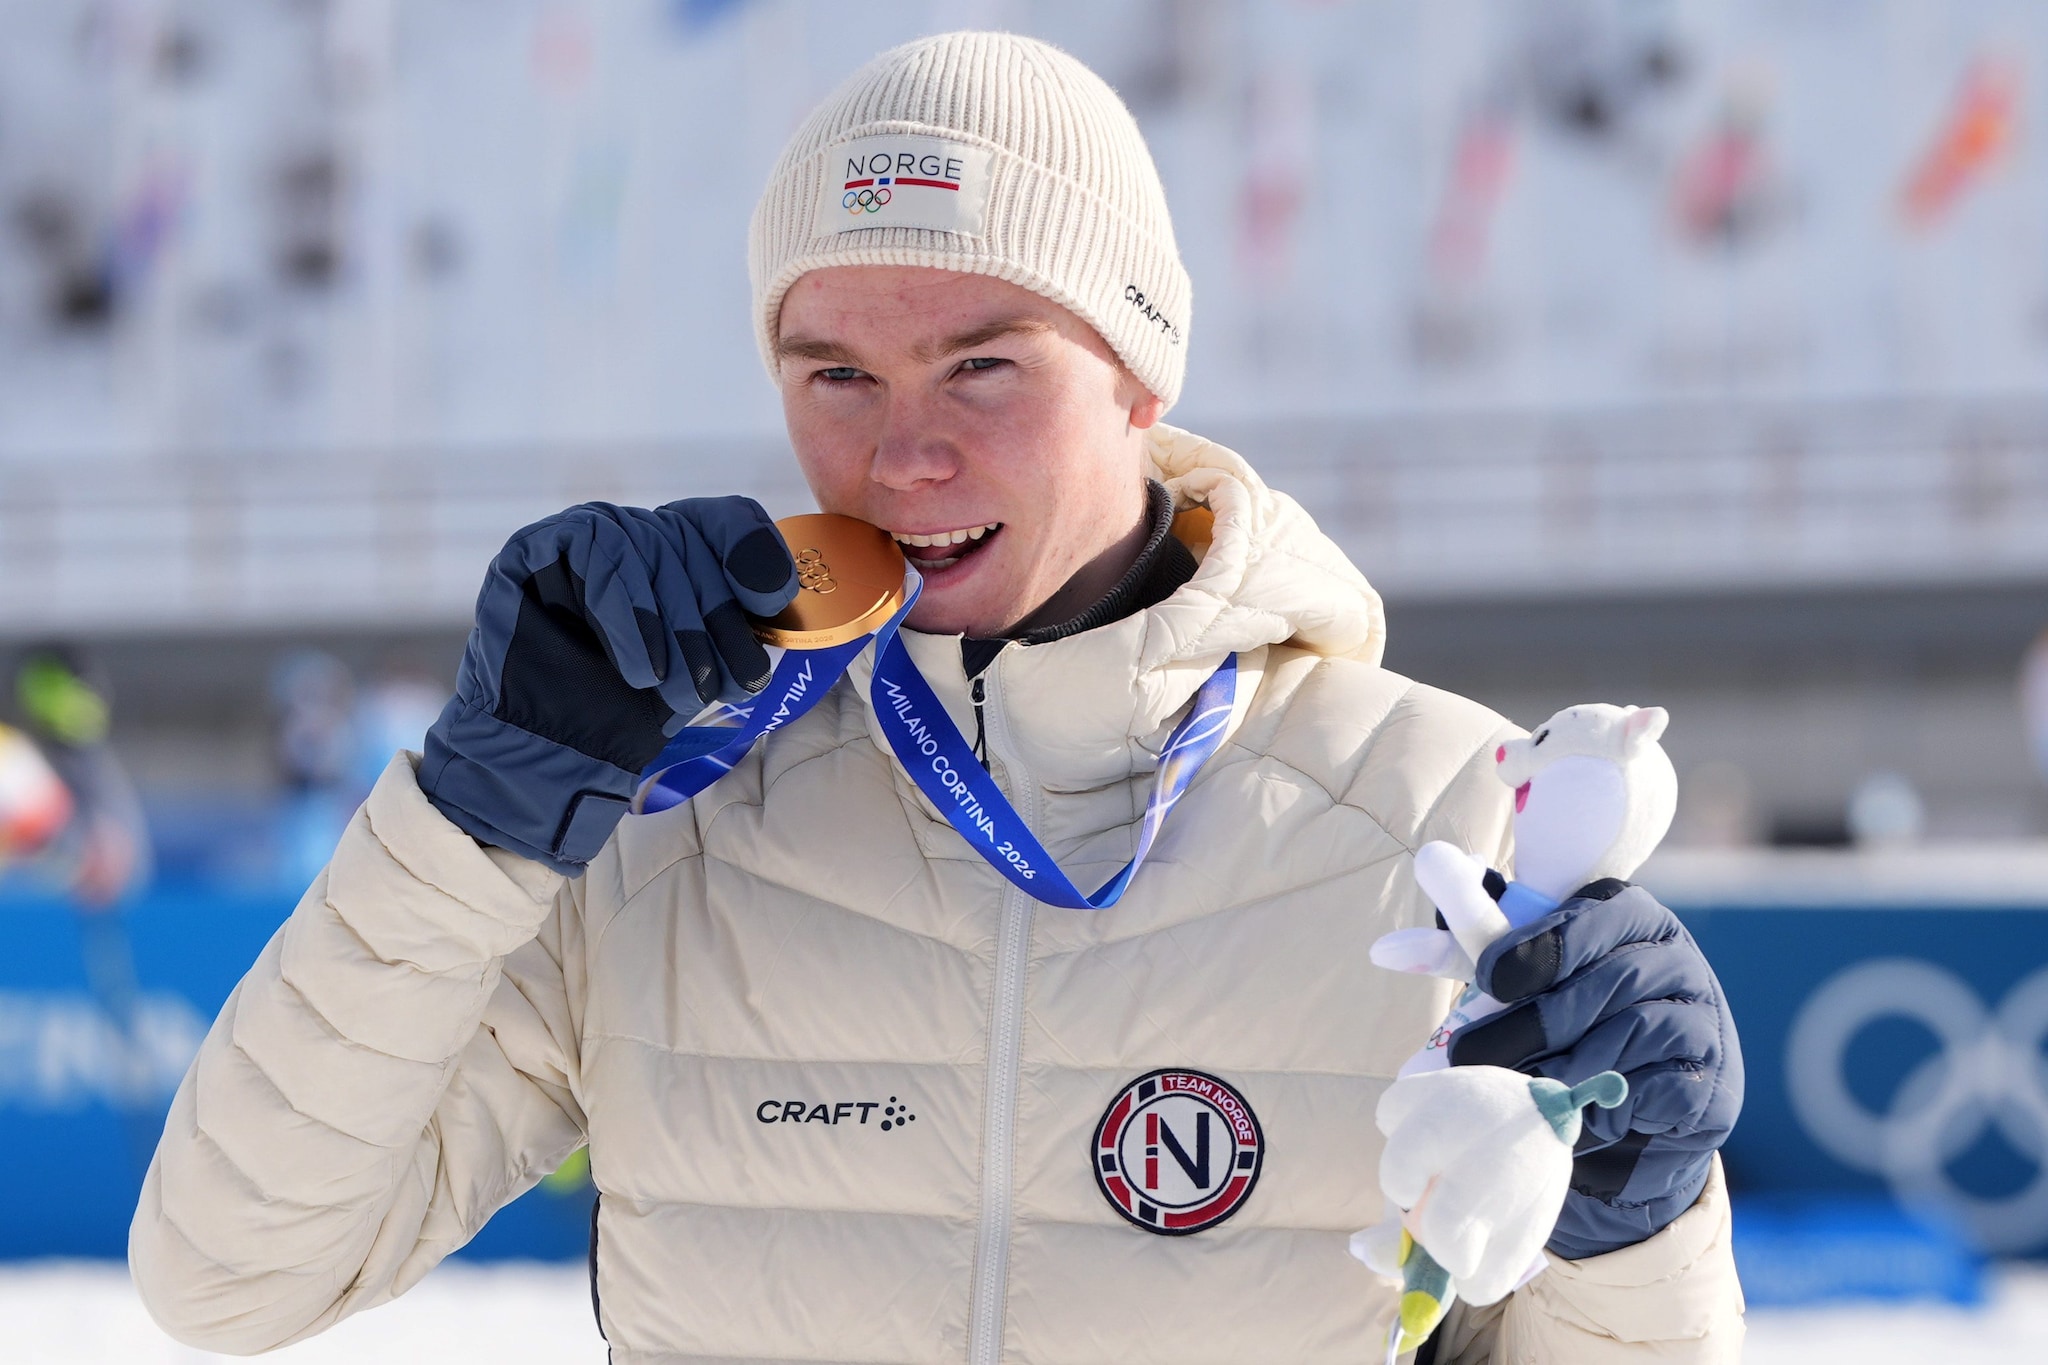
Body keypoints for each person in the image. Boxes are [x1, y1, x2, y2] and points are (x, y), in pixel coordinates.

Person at [130, 33, 1743, 1362]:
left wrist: (1633, 1215)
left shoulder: (1444, 823)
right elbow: (228, 1276)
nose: (905, 455)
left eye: (985, 363)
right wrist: (478, 811)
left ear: (1139, 370)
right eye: (838, 374)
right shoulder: (665, 819)